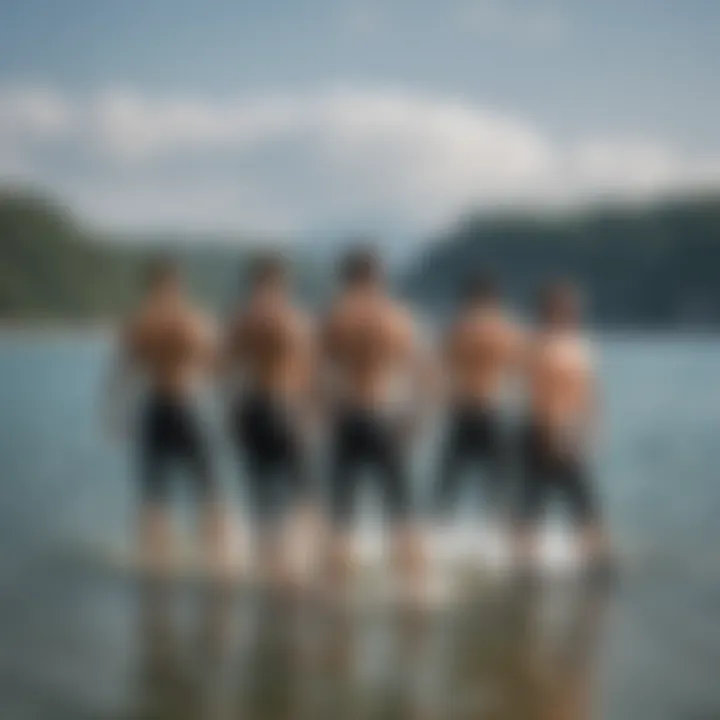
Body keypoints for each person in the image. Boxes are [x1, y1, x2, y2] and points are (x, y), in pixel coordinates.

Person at [106, 258, 228, 577]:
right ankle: (218, 561)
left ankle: (155, 568)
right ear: (179, 285)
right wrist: (226, 411)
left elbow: (121, 374)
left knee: (154, 494)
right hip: (189, 408)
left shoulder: (139, 322)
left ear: (150, 285)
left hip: (155, 409)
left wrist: (116, 417)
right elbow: (216, 370)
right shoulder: (196, 320)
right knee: (208, 489)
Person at [320, 247, 431, 593]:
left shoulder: (336, 316)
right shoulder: (398, 317)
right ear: (379, 277)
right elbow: (424, 372)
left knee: (342, 511)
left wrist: (321, 415)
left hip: (348, 415)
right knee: (401, 507)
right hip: (385, 415)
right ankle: (415, 588)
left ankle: (336, 590)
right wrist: (416, 417)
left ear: (347, 278)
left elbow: (313, 373)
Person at [223, 253, 317, 586]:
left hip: (250, 408)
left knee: (261, 493)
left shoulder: (239, 320)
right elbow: (308, 373)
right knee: (304, 490)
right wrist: (310, 416)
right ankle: (296, 564)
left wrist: (232, 415)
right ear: (281, 282)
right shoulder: (294, 320)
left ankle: (267, 564)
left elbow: (225, 372)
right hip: (283, 406)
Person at [515, 281, 611, 573]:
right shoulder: (542, 346)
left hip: (566, 433)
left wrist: (593, 429)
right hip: (544, 431)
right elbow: (541, 396)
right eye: (567, 305)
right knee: (539, 501)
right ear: (551, 310)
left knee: (577, 501)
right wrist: (552, 433)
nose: (575, 310)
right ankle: (528, 566)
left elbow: (592, 393)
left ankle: (594, 564)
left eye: (574, 305)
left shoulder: (579, 347)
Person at [433, 273, 524, 524]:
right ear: (495, 299)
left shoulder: (456, 328)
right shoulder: (507, 329)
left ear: (467, 298)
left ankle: (438, 530)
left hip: (462, 411)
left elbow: (438, 371)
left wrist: (438, 403)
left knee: (448, 482)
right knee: (499, 481)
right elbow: (522, 374)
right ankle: (502, 533)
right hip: (492, 409)